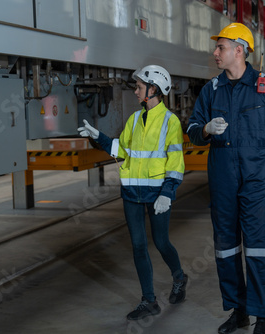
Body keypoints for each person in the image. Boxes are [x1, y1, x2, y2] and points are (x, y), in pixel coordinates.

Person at [187, 23, 265, 334]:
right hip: (223, 183)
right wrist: (204, 130)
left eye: (221, 47)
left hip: (256, 182)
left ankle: (263, 317)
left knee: (256, 249)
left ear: (239, 50)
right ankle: (238, 311)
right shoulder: (210, 90)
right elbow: (192, 130)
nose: (215, 53)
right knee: (226, 249)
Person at [77, 64, 188, 320]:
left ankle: (179, 277)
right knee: (139, 246)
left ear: (153, 89)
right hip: (131, 194)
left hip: (157, 193)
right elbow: (123, 150)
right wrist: (99, 137)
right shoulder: (135, 119)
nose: (136, 91)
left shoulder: (170, 122)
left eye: (139, 87)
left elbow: (175, 162)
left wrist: (167, 193)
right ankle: (149, 301)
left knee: (161, 243)